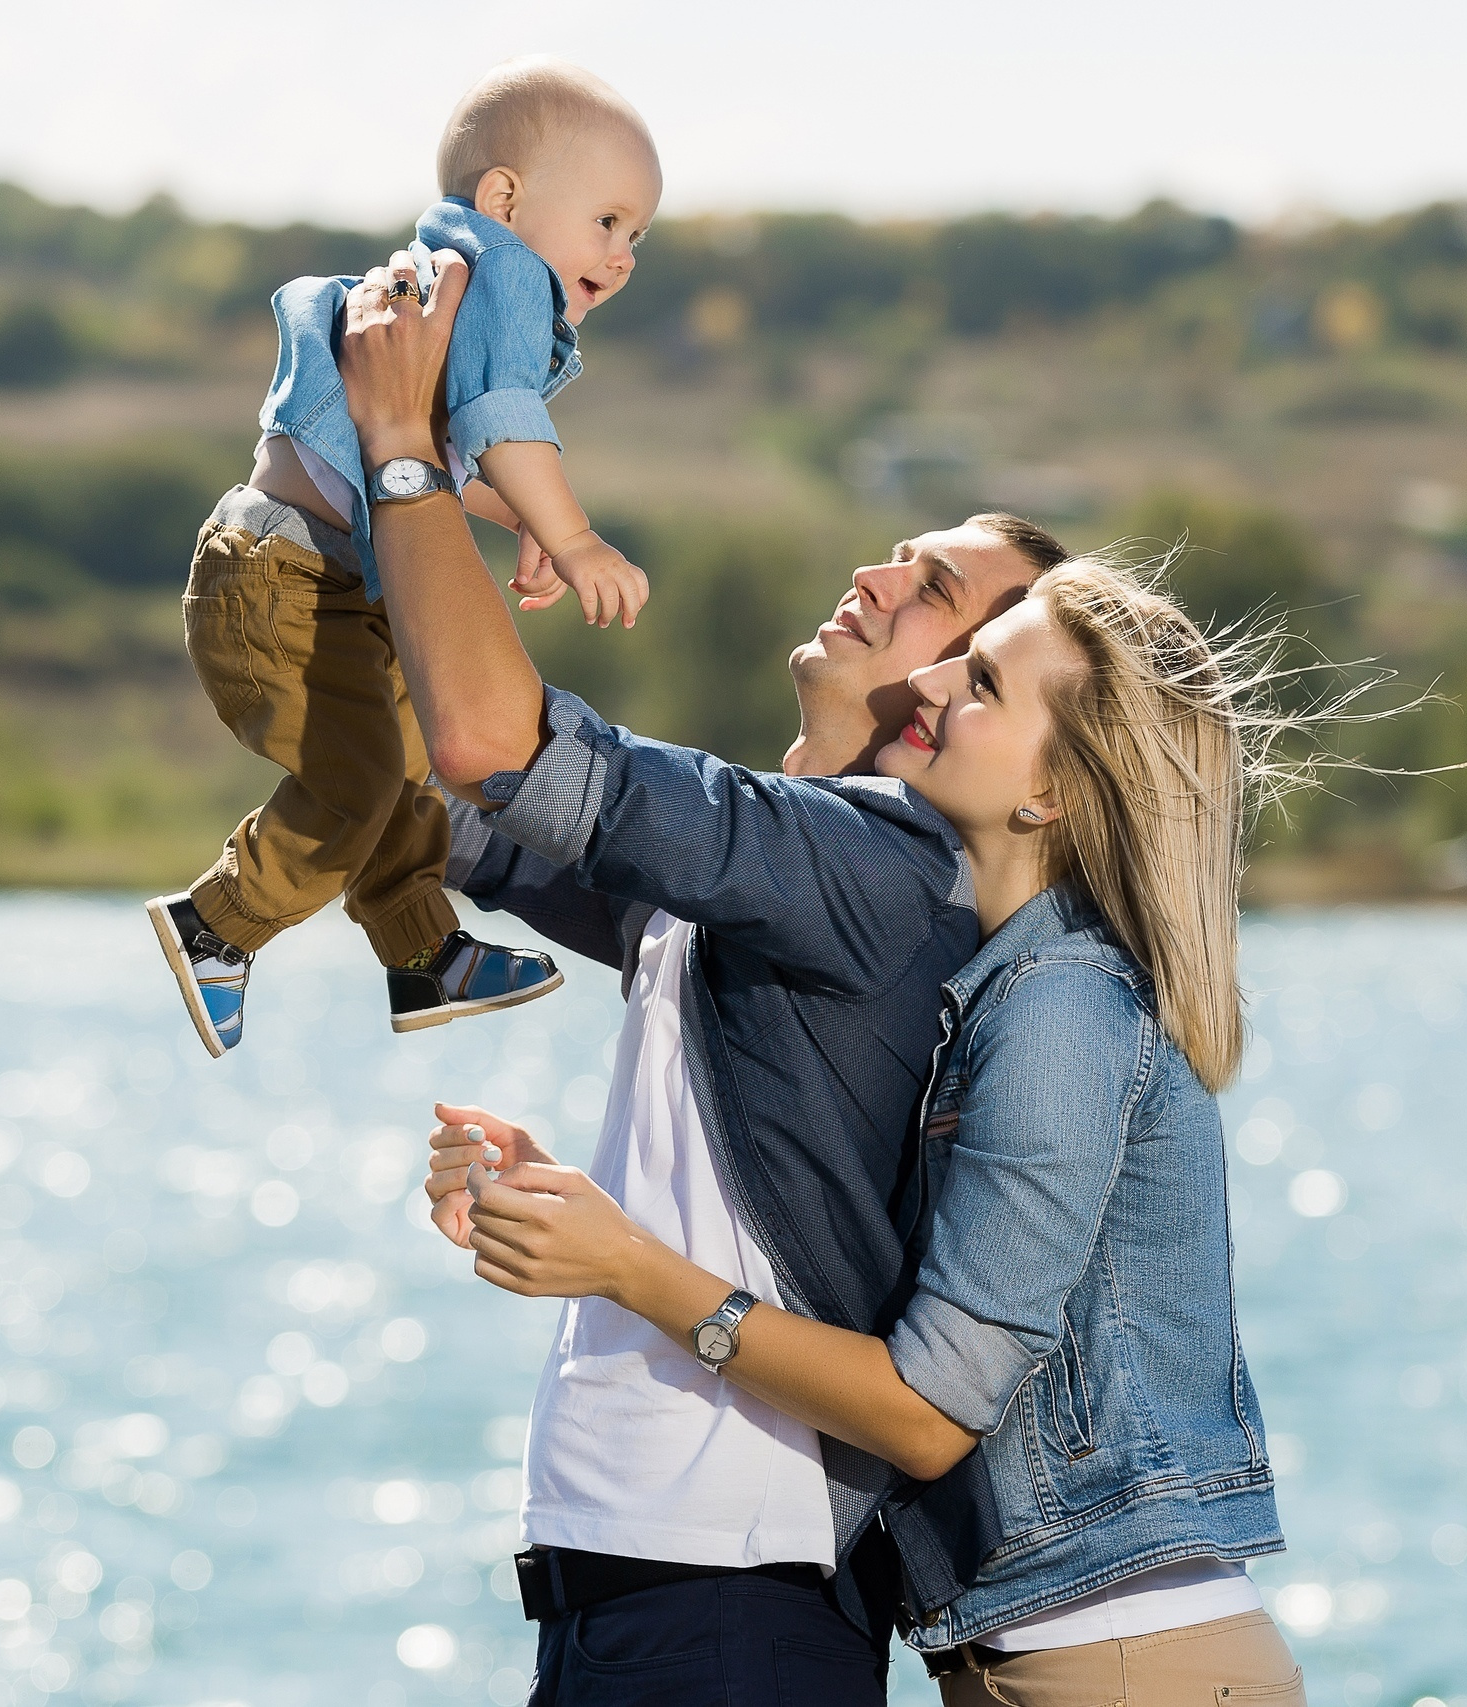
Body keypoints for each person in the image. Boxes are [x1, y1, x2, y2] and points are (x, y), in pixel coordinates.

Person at [331, 248, 1066, 1701]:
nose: (875, 575)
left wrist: (407, 449)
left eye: (931, 591)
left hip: (728, 1610)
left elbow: (490, 746)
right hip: (647, 1596)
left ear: (971, 694)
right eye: (898, 552)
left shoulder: (870, 863)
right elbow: (423, 789)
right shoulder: (787, 874)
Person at [437, 564, 1308, 1703]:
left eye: (983, 681)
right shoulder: (996, 992)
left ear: (1052, 792)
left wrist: (630, 1266)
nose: (933, 682)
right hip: (1058, 1650)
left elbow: (929, 1414)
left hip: (1125, 1659)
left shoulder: (1058, 1007)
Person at [145, 57, 657, 1058]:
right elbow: (501, 417)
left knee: (413, 763)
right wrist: (572, 535)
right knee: (363, 779)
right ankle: (217, 922)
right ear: (504, 198)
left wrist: (520, 521)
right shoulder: (505, 272)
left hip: (315, 575)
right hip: (283, 580)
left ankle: (421, 951)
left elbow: (444, 446)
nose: (624, 254)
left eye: (638, 236)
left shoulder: (455, 272)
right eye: (606, 221)